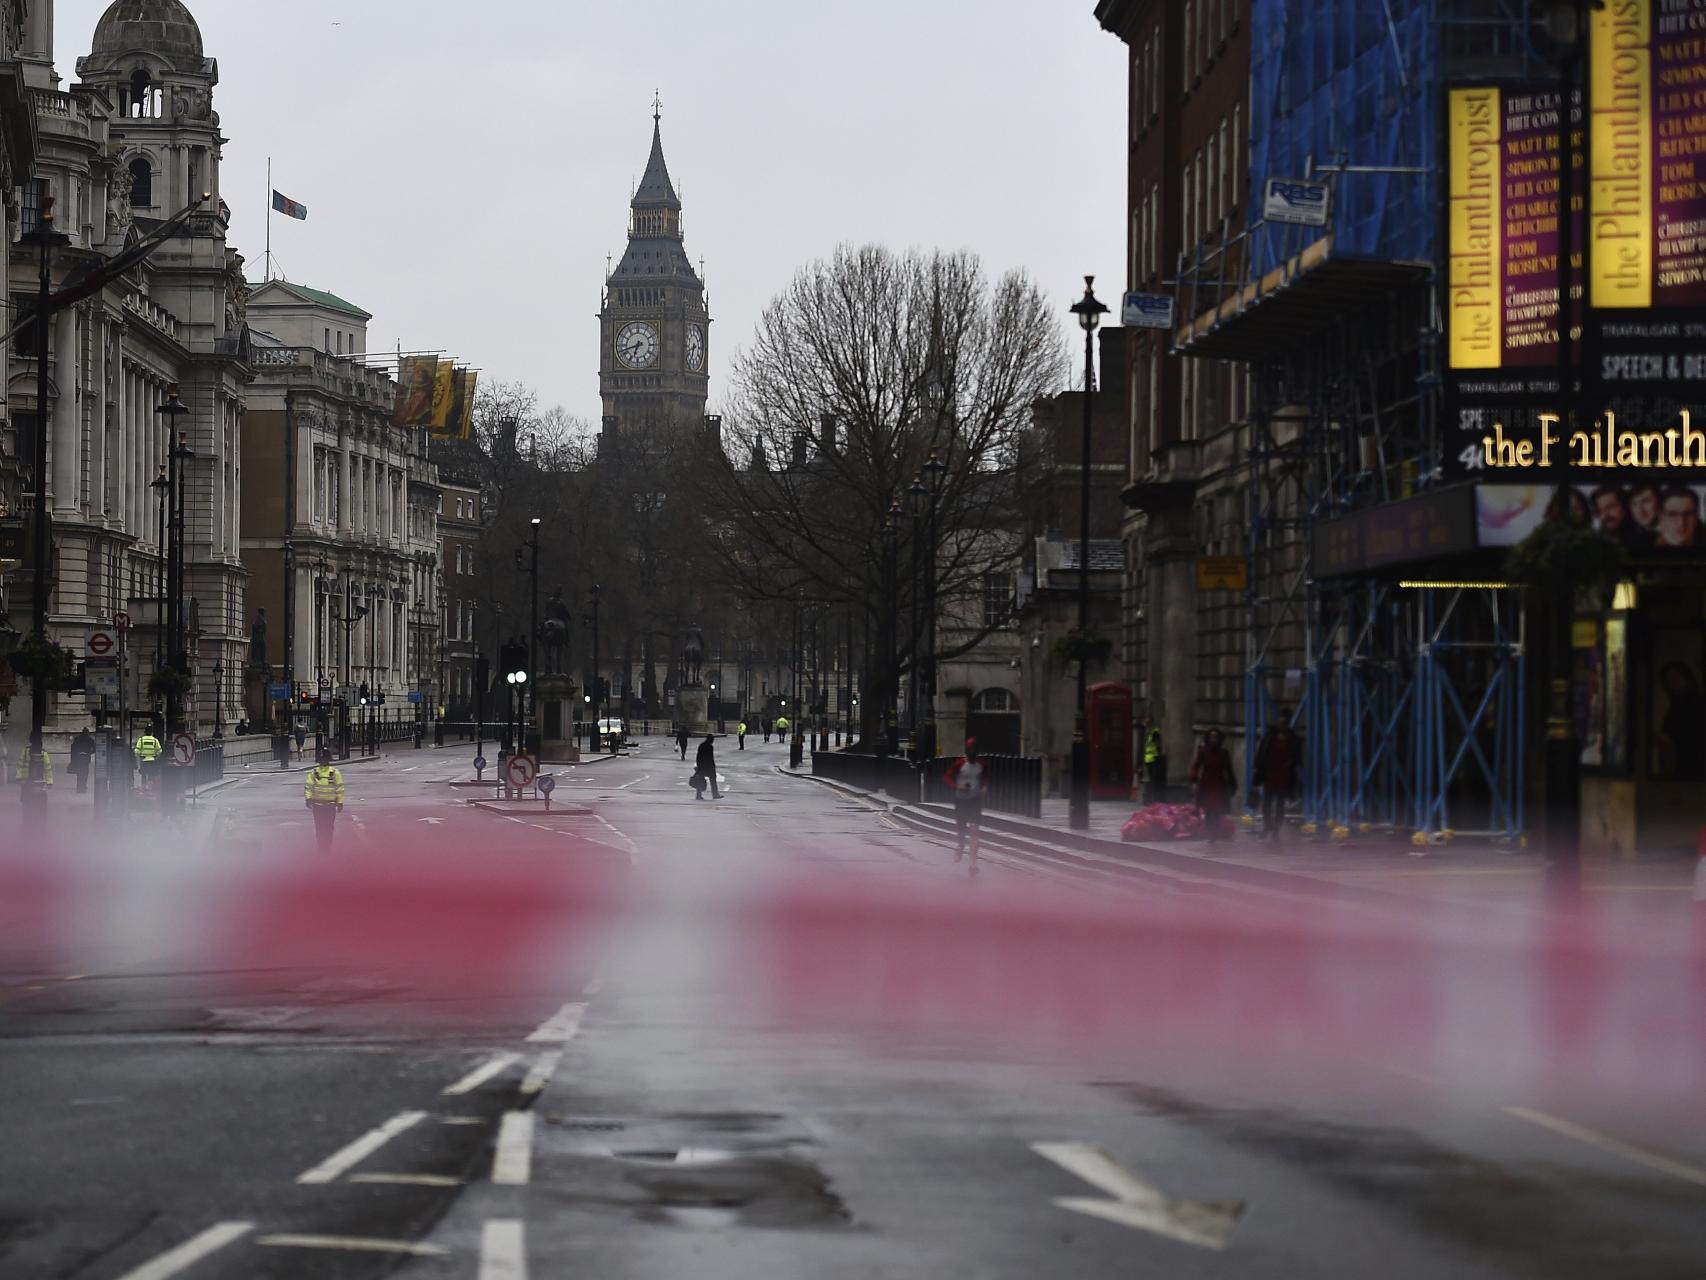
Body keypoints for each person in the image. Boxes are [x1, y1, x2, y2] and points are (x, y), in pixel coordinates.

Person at [945, 737, 990, 875]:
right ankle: (960, 846)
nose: (972, 754)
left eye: (974, 751)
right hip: (961, 800)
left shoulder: (982, 764)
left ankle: (973, 865)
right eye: (970, 751)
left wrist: (984, 787)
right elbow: (947, 777)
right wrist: (958, 786)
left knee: (975, 830)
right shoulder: (959, 764)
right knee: (962, 830)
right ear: (966, 751)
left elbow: (986, 777)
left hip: (975, 800)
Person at [1252, 720, 1301, 842]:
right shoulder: (1270, 738)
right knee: (1267, 803)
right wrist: (1258, 769)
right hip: (1270, 774)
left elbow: (1296, 757)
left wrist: (1291, 764)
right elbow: (1262, 753)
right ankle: (1267, 825)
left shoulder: (1291, 739)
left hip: (1283, 776)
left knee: (1280, 805)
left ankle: (1276, 831)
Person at [1189, 728, 1236, 842]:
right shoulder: (1203, 751)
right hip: (1206, 784)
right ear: (1208, 738)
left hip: (1219, 784)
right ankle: (1211, 833)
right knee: (1209, 810)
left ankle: (1215, 831)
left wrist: (1232, 783)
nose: (1213, 739)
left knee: (1218, 810)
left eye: (1215, 737)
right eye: (1211, 737)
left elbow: (1229, 769)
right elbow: (1196, 765)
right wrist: (1193, 777)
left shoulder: (1224, 753)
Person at [303, 749, 346, 851]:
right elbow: (309, 787)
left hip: (327, 805)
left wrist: (340, 802)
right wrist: (308, 798)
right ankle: (322, 845)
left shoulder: (334, 773)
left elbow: (339, 788)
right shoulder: (315, 773)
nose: (323, 762)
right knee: (321, 826)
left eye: (324, 759)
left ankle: (326, 844)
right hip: (320, 805)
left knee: (326, 826)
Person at [69, 727, 96, 795]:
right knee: (85, 773)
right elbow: (94, 749)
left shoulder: (77, 739)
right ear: (88, 733)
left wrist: (73, 758)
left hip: (78, 757)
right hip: (86, 758)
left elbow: (73, 749)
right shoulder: (90, 740)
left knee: (79, 773)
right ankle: (83, 787)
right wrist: (89, 753)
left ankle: (79, 787)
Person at [694, 733, 721, 800]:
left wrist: (698, 765)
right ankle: (715, 794)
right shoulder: (710, 747)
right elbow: (711, 758)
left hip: (702, 766)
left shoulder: (701, 745)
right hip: (709, 767)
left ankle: (698, 795)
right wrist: (713, 766)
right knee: (713, 781)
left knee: (700, 780)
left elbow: (698, 756)